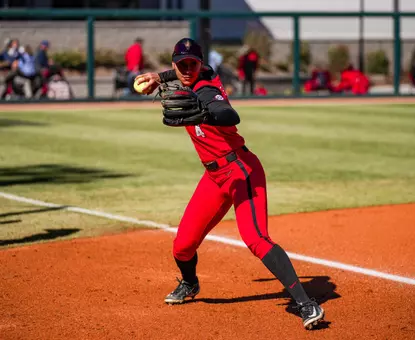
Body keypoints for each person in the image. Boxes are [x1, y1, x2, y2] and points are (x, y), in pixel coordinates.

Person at [134, 38, 325, 330]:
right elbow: (183, 72)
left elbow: (229, 114)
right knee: (182, 246)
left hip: (240, 170)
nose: (186, 69)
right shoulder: (191, 73)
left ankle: (305, 302)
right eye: (181, 64)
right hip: (213, 178)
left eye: (192, 64)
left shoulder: (206, 87)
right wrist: (158, 77)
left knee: (255, 238)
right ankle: (190, 283)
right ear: (174, 64)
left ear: (200, 65)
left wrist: (204, 109)